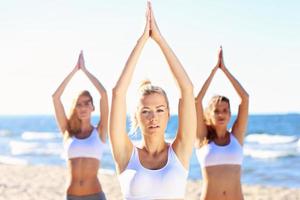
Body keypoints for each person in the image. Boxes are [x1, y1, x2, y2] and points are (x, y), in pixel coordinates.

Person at [109, 2, 196, 200]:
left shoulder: (179, 151)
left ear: (168, 113)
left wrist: (158, 39)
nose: (153, 117)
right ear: (136, 116)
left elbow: (187, 90)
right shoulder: (125, 154)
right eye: (146, 111)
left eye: (159, 110)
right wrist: (142, 40)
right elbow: (117, 93)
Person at [52, 51, 109, 200]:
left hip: (96, 196)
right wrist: (74, 71)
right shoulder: (68, 132)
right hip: (72, 196)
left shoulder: (100, 131)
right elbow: (55, 97)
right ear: (75, 108)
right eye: (79, 104)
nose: (83, 107)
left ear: (92, 107)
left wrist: (85, 71)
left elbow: (103, 94)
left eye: (86, 103)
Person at [195, 47, 249, 200]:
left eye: (225, 110)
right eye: (216, 111)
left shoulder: (236, 137)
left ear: (230, 114)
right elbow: (196, 101)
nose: (221, 114)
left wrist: (224, 70)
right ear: (209, 114)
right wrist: (214, 70)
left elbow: (245, 98)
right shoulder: (202, 138)